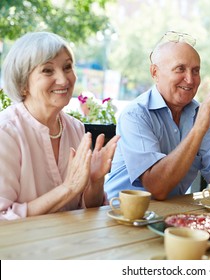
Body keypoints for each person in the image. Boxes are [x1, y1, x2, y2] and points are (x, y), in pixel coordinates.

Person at [105, 31, 210, 200]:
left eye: (195, 71)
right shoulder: (135, 115)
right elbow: (156, 188)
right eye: (180, 69)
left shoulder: (199, 116)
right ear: (155, 72)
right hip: (119, 216)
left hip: (169, 216)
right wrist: (198, 130)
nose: (190, 80)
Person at [0, 32, 120, 220]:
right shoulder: (5, 132)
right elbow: (3, 219)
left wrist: (95, 182)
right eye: (47, 70)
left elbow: (88, 208)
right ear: (23, 83)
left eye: (67, 67)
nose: (64, 80)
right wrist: (68, 188)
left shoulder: (76, 128)